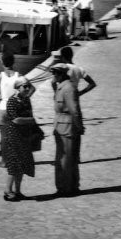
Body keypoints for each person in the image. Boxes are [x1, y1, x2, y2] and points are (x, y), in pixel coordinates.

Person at [0, 52, 29, 165]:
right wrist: (23, 100)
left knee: (4, 137)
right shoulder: (19, 76)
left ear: (2, 62)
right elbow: (31, 88)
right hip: (15, 108)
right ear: (13, 62)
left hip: (3, 108)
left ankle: (4, 161)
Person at [0, 76, 37, 200]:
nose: (27, 89)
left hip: (24, 136)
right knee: (14, 165)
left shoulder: (26, 100)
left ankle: (18, 191)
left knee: (22, 165)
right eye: (24, 86)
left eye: (28, 86)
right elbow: (16, 119)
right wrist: (30, 120)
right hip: (14, 136)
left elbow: (27, 116)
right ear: (17, 88)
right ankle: (7, 190)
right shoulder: (12, 101)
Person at [51, 64, 85, 196]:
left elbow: (74, 111)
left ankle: (67, 187)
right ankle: (65, 186)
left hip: (68, 127)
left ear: (62, 74)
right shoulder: (62, 87)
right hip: (61, 126)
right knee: (63, 159)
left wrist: (79, 126)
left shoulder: (68, 88)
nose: (54, 76)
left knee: (67, 159)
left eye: (55, 73)